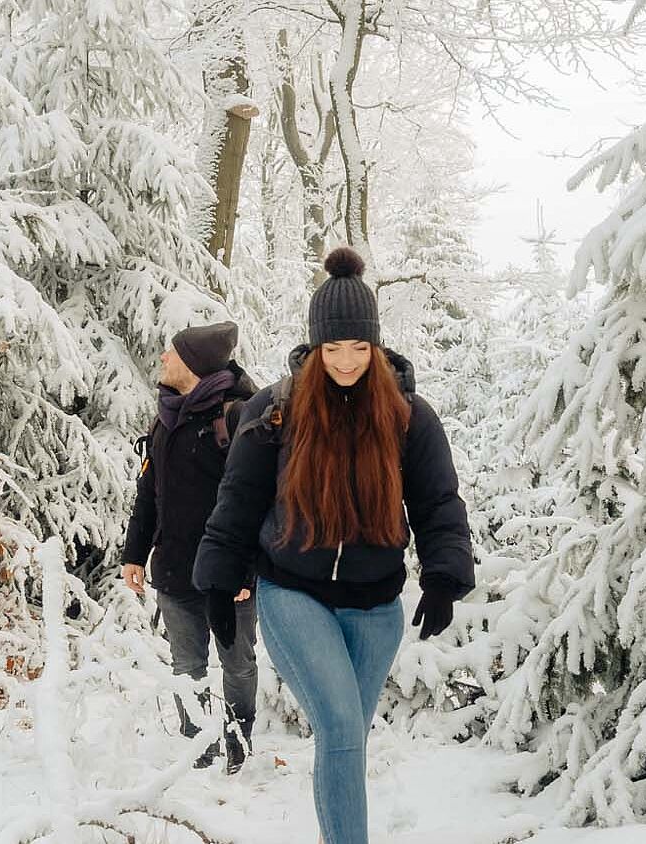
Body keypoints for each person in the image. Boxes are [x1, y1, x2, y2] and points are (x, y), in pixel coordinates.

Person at [193, 247, 475, 843]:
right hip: (294, 592)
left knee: (345, 742)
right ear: (315, 348)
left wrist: (444, 575)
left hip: (376, 605)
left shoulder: (407, 416)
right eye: (332, 349)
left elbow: (437, 502)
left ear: (374, 347)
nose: (345, 362)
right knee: (344, 729)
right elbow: (239, 498)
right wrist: (220, 580)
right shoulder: (277, 411)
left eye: (358, 348)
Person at [121, 320, 259, 773]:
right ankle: (197, 749)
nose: (162, 358)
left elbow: (258, 500)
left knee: (237, 662)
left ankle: (239, 741)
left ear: (193, 365)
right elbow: (149, 493)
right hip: (176, 570)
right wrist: (134, 554)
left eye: (171, 353)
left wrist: (246, 571)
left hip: (228, 577)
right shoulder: (165, 420)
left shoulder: (237, 417)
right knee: (187, 666)